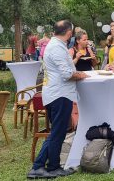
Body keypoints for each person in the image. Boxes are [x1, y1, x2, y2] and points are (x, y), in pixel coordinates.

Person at [27, 20, 88, 179]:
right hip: (59, 95)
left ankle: (42, 166)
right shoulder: (56, 48)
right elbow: (67, 74)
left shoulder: (56, 46)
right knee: (57, 133)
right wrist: (82, 75)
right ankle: (49, 167)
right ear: (69, 32)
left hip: (58, 94)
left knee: (57, 132)